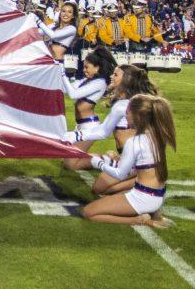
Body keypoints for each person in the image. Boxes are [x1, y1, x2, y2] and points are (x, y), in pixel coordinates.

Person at [82, 94, 175, 227]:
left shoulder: (134, 142)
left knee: (88, 212)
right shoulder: (159, 135)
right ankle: (154, 212)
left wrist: (98, 163)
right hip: (157, 195)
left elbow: (120, 174)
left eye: (127, 113)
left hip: (143, 198)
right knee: (106, 195)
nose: (125, 117)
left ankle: (139, 220)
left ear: (138, 116)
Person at [64, 64, 158, 194]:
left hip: (137, 160)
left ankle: (144, 181)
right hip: (136, 157)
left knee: (99, 189)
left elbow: (103, 132)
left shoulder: (124, 105)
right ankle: (144, 180)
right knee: (99, 187)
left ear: (127, 79)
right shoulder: (133, 101)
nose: (111, 77)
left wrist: (73, 136)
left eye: (116, 74)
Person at [59, 46, 117, 171]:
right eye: (84, 67)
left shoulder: (99, 83)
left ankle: (107, 160)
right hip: (80, 126)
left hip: (90, 128)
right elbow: (66, 88)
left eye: (87, 67)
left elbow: (73, 94)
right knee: (66, 160)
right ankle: (103, 157)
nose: (84, 70)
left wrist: (63, 74)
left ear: (97, 68)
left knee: (70, 165)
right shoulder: (87, 80)